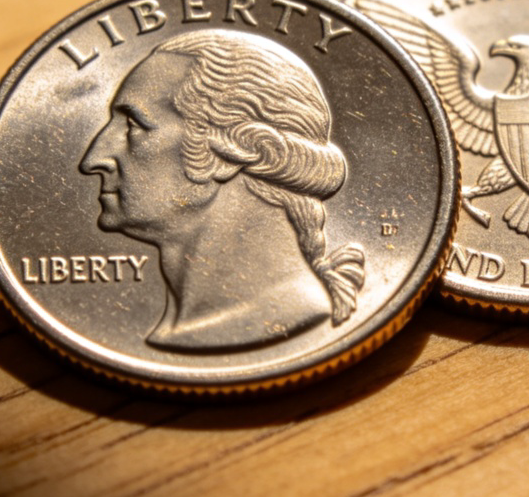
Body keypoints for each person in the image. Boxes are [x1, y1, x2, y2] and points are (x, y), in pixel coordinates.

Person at [80, 29, 365, 352]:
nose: (94, 160)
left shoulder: (282, 315)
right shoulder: (189, 325)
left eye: (134, 125)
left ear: (234, 150)